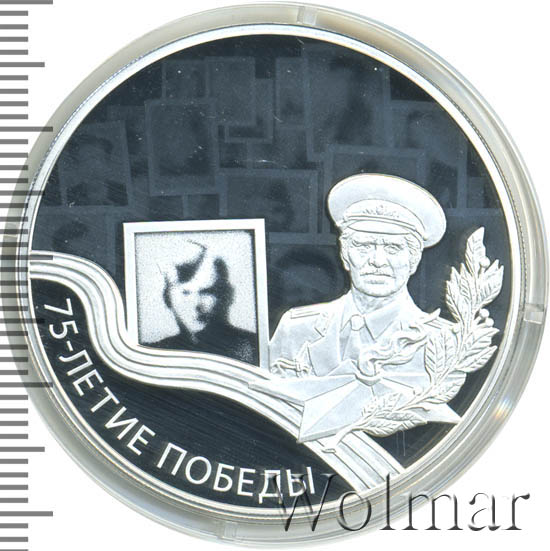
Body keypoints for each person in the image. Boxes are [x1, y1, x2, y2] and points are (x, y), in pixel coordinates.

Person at [262, 173, 459, 441]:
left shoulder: (443, 341)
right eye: (364, 246)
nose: (377, 260)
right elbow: (268, 414)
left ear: (413, 261)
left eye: (393, 248)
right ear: (345, 254)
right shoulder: (296, 328)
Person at [148, 241, 257, 365]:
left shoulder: (253, 348)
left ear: (226, 295)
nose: (196, 305)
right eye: (185, 293)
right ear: (167, 299)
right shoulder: (154, 354)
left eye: (206, 292)